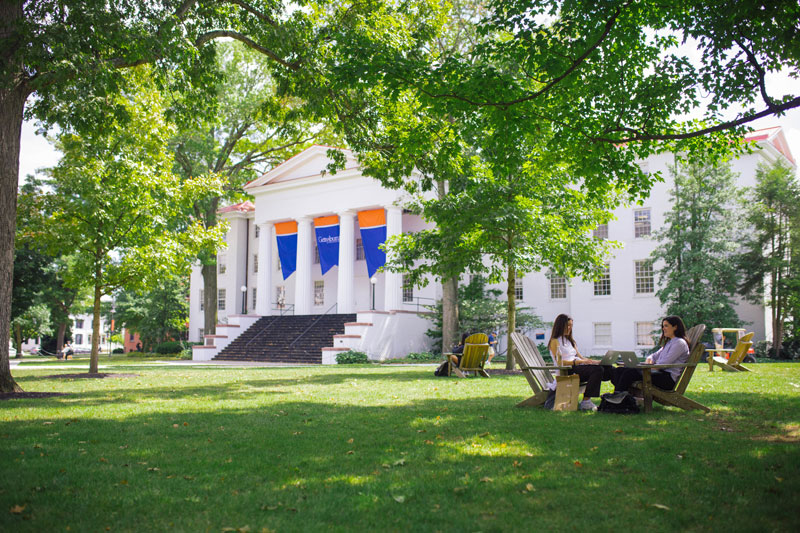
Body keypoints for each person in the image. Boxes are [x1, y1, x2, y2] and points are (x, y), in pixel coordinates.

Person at [610, 315, 690, 395]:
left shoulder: (679, 343)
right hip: (659, 373)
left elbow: (663, 364)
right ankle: (621, 398)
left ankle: (619, 400)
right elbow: (653, 356)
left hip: (667, 379)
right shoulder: (669, 342)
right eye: (663, 326)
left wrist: (647, 366)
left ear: (675, 327)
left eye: (666, 326)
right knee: (619, 370)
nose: (663, 328)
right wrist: (650, 360)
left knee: (629, 372)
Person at [549, 314, 609, 411]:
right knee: (598, 370)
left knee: (608, 368)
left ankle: (618, 398)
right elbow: (559, 362)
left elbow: (581, 357)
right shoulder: (554, 341)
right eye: (567, 325)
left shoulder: (570, 341)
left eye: (571, 325)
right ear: (560, 326)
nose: (570, 328)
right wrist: (576, 362)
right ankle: (586, 402)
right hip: (567, 371)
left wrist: (595, 361)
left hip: (578, 367)